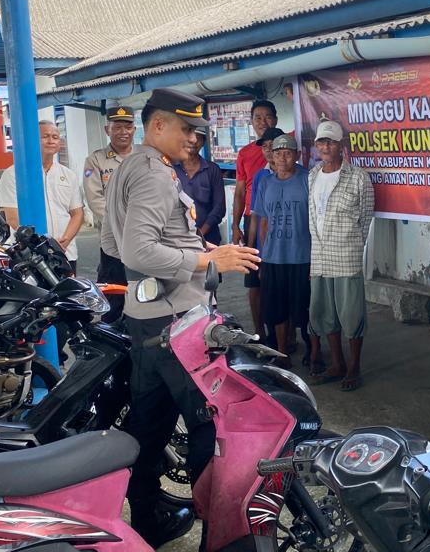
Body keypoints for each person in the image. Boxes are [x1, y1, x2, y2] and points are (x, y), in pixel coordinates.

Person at [101, 88, 260, 548]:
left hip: (145, 320)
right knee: (210, 430)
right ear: (158, 126)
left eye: (198, 131)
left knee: (149, 425)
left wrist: (200, 247)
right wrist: (208, 263)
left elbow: (115, 245)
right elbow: (136, 250)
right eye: (187, 128)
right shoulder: (152, 173)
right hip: (175, 325)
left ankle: (145, 517)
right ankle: (222, 533)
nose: (194, 138)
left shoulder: (133, 166)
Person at [307, 120, 374, 392]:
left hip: (345, 255)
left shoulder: (358, 177)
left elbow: (366, 219)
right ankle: (337, 364)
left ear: (342, 146)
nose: (325, 146)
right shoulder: (312, 176)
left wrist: (353, 246)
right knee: (326, 314)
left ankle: (354, 366)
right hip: (319, 256)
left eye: (331, 142)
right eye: (321, 142)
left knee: (351, 314)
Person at [254, 133, 311, 369]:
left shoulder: (308, 179)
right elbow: (263, 222)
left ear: (297, 155)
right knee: (277, 308)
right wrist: (262, 257)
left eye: (288, 153)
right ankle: (282, 352)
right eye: (278, 153)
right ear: (272, 157)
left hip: (302, 256)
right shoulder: (266, 182)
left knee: (304, 309)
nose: (283, 158)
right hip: (273, 257)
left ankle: (311, 350)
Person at [0, 120, 84, 274]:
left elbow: (77, 213)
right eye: (45, 136)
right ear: (32, 139)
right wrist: (43, 244)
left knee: (67, 296)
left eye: (55, 137)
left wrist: (64, 241)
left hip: (64, 253)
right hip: (28, 256)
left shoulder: (68, 175)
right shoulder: (13, 174)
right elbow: (12, 217)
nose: (51, 140)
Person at [232, 100, 279, 339]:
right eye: (258, 118)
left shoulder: (284, 144)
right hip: (252, 221)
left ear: (276, 119)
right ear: (251, 122)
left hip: (280, 221)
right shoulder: (246, 153)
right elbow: (240, 192)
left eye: (268, 117)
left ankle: (284, 334)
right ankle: (259, 330)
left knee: (278, 280)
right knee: (254, 281)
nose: (263, 122)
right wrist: (235, 226)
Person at [83, 105, 135, 314]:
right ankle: (111, 330)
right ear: (107, 130)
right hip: (113, 239)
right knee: (114, 288)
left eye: (128, 126)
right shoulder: (96, 160)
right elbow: (94, 198)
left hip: (146, 237)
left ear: (134, 128)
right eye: (117, 127)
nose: (123, 132)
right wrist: (123, 223)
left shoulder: (145, 155)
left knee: (143, 287)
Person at [174, 126, 226, 245]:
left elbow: (219, 209)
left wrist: (200, 233)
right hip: (177, 239)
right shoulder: (170, 168)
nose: (193, 141)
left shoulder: (212, 170)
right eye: (189, 137)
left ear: (203, 142)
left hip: (209, 239)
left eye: (199, 138)